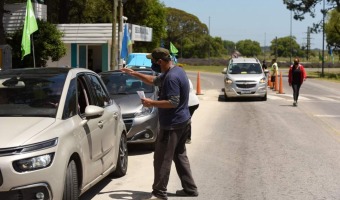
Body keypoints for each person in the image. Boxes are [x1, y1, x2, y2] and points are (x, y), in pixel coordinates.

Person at [121, 47, 198, 200]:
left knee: (162, 159)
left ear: (160, 61)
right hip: (183, 122)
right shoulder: (176, 71)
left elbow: (173, 102)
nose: (152, 63)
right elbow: (154, 80)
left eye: (153, 61)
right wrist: (134, 74)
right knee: (179, 154)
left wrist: (151, 103)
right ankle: (190, 189)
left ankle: (159, 193)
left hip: (172, 125)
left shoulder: (171, 78)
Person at [187, 78, 199, 144]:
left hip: (191, 103)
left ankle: (188, 138)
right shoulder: (187, 79)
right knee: (187, 119)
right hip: (193, 102)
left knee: (187, 120)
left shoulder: (184, 79)